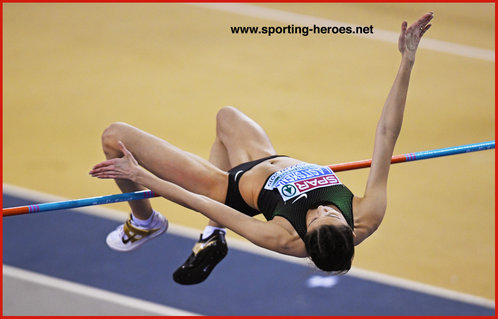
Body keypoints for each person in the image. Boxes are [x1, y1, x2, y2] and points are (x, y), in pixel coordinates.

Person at [90, 12, 433, 285]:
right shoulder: (368, 214)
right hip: (265, 158)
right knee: (227, 118)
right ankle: (212, 237)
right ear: (351, 229)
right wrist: (408, 61)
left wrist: (139, 174)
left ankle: (145, 221)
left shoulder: (282, 238)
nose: (325, 210)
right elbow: (387, 133)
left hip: (230, 188)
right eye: (334, 215)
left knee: (113, 136)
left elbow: (199, 201)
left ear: (305, 237)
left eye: (316, 218)